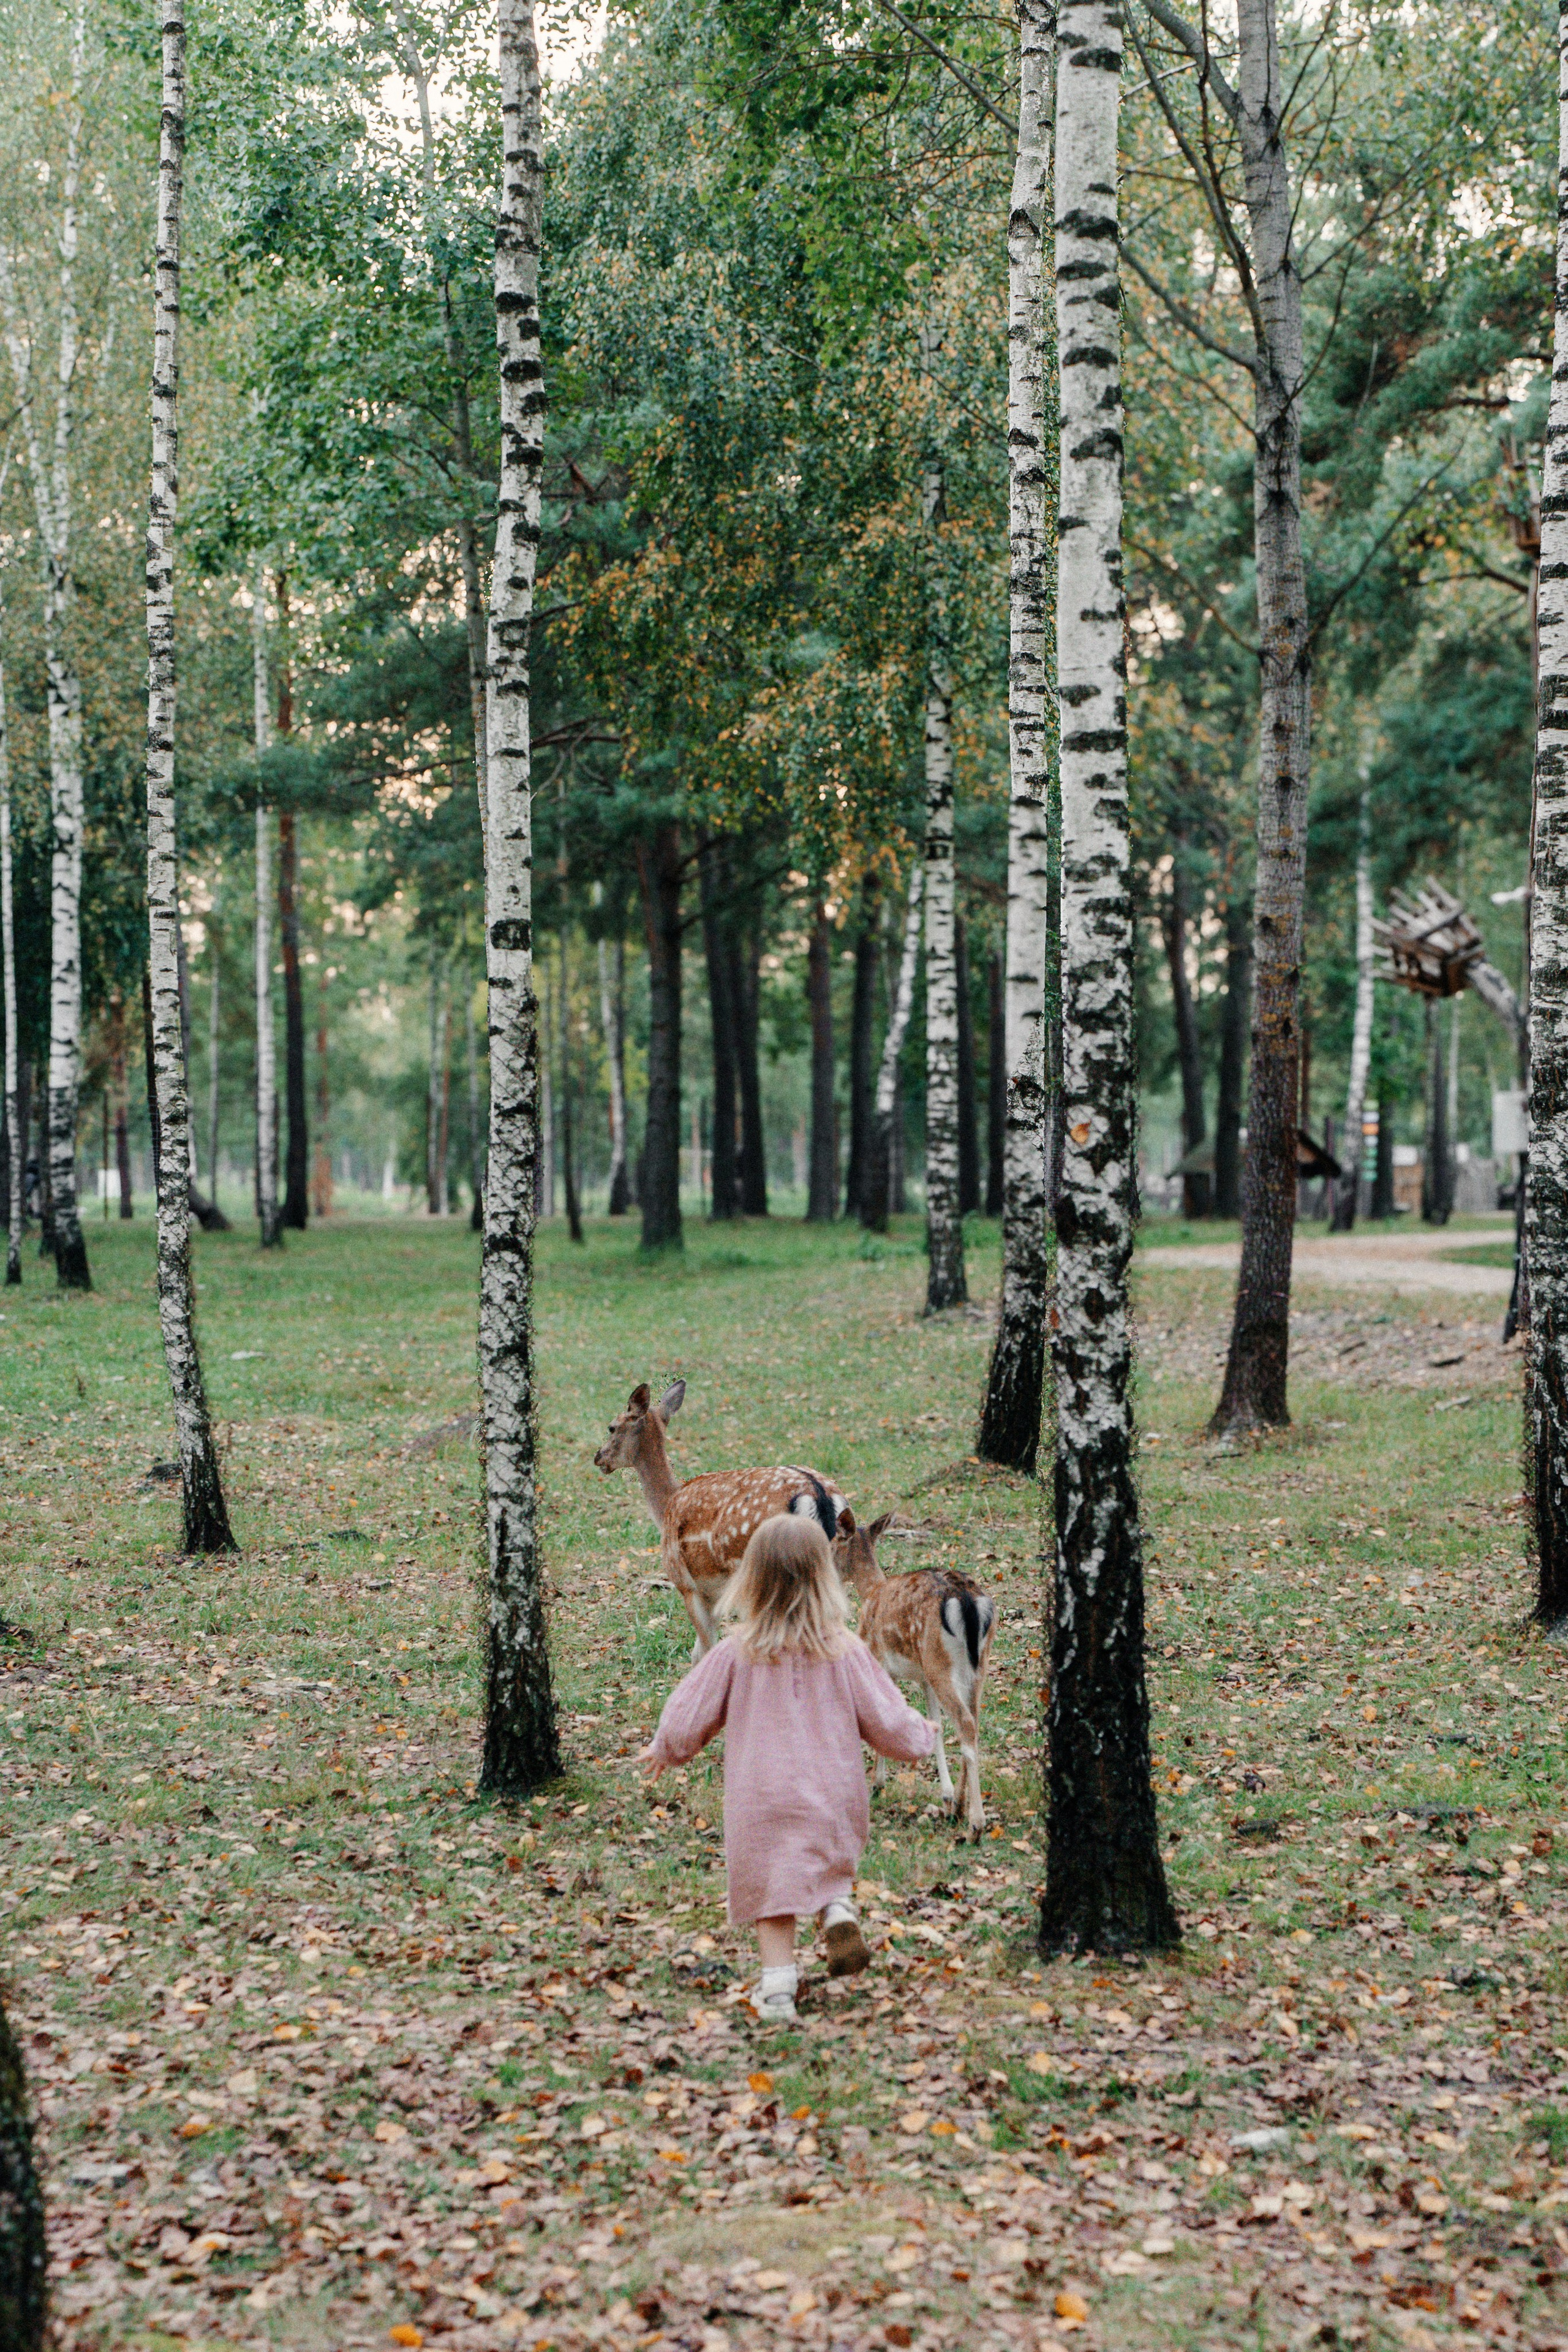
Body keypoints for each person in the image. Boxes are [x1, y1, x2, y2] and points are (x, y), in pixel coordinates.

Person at [641, 1510, 938, 2022]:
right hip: (834, 1792)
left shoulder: (736, 1653)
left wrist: (666, 1748)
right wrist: (922, 1738)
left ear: (750, 1580)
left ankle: (778, 1989)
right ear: (825, 1579)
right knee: (826, 1864)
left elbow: (690, 1712)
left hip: (762, 1799)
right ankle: (837, 1911)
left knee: (772, 1891)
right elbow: (887, 1717)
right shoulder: (845, 1652)